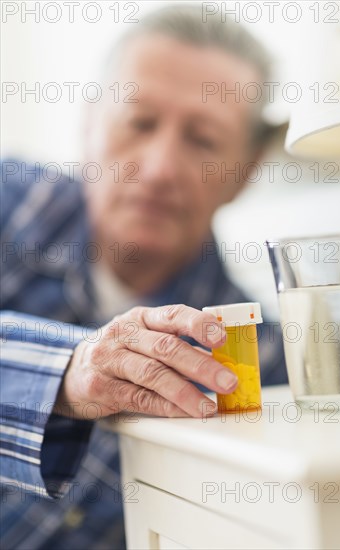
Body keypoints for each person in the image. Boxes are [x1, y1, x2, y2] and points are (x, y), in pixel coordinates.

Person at [0, 5, 287, 549]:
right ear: (88, 125)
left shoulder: (258, 357)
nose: (159, 168)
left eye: (202, 141)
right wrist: (67, 371)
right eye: (139, 123)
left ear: (245, 172)